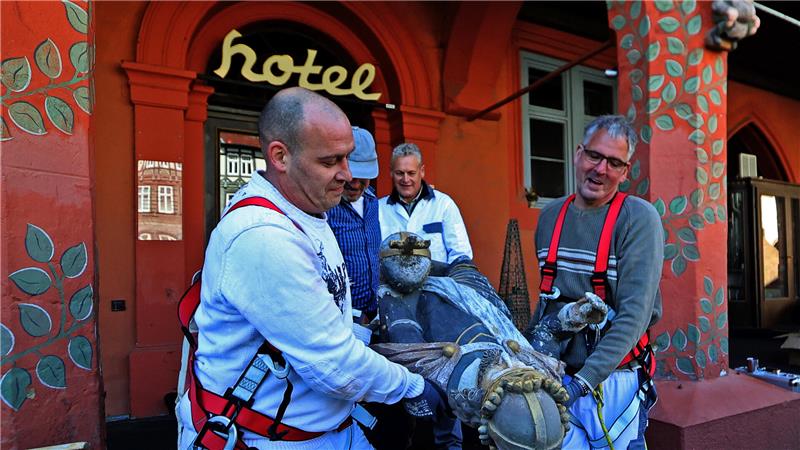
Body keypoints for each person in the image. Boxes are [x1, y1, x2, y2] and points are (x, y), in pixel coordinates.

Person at [176, 87, 443, 450]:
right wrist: (413, 386)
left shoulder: (307, 210)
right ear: (280, 156)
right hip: (266, 439)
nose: (347, 174)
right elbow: (333, 366)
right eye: (331, 161)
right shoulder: (264, 236)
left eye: (347, 157)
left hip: (327, 428)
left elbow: (321, 316)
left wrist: (374, 339)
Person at [373, 232, 612, 450]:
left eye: (505, 375)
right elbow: (546, 334)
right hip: (476, 294)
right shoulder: (539, 370)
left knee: (405, 278)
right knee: (462, 267)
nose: (510, 366)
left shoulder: (443, 378)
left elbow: (407, 350)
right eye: (522, 374)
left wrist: (398, 285)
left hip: (417, 299)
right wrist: (574, 315)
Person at [527, 115, 663, 449]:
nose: (601, 169)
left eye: (614, 163)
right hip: (558, 376)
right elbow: (547, 302)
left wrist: (582, 383)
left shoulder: (637, 219)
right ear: (578, 153)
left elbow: (635, 316)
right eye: (594, 156)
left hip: (615, 381)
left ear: (625, 172)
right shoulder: (550, 217)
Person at [379, 143, 472, 264]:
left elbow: (461, 254)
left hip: (438, 276)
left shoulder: (444, 205)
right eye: (399, 173)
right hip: (390, 277)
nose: (405, 179)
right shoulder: (378, 209)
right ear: (391, 173)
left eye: (411, 173)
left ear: (422, 171)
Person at [327, 126, 382, 323]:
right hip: (341, 315)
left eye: (363, 177)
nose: (356, 184)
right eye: (351, 175)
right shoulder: (325, 207)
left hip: (375, 310)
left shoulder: (373, 201)